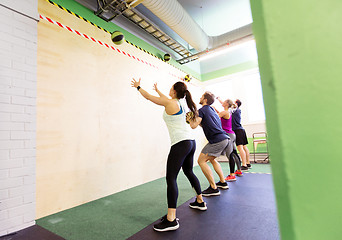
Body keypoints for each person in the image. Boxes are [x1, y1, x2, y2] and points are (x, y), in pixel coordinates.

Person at [131, 78, 206, 232]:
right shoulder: (180, 103)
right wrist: (157, 89)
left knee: (171, 178)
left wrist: (138, 87)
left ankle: (171, 219)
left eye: (170, 88)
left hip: (180, 143)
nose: (169, 90)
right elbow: (164, 98)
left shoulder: (171, 103)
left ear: (174, 91)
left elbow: (149, 98)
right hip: (190, 142)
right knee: (188, 171)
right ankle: (200, 201)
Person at [186, 91, 232, 196]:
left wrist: (189, 120)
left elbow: (193, 126)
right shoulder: (211, 110)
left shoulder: (201, 110)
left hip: (217, 140)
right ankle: (223, 182)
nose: (200, 98)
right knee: (212, 159)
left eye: (202, 97)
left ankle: (213, 188)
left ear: (205, 100)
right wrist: (195, 121)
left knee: (201, 161)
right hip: (224, 139)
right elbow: (205, 124)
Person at [214, 97, 243, 182]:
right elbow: (220, 114)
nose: (222, 103)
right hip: (232, 134)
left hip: (228, 135)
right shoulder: (228, 111)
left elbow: (215, 117)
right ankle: (239, 170)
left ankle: (232, 175)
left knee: (230, 155)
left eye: (224, 102)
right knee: (234, 153)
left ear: (226, 104)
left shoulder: (225, 112)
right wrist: (215, 108)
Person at [231, 99, 251, 170]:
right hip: (241, 130)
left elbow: (228, 104)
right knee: (244, 147)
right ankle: (248, 163)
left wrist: (219, 99)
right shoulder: (237, 111)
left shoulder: (235, 110)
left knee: (240, 148)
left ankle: (244, 165)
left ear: (236, 104)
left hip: (238, 130)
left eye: (234, 101)